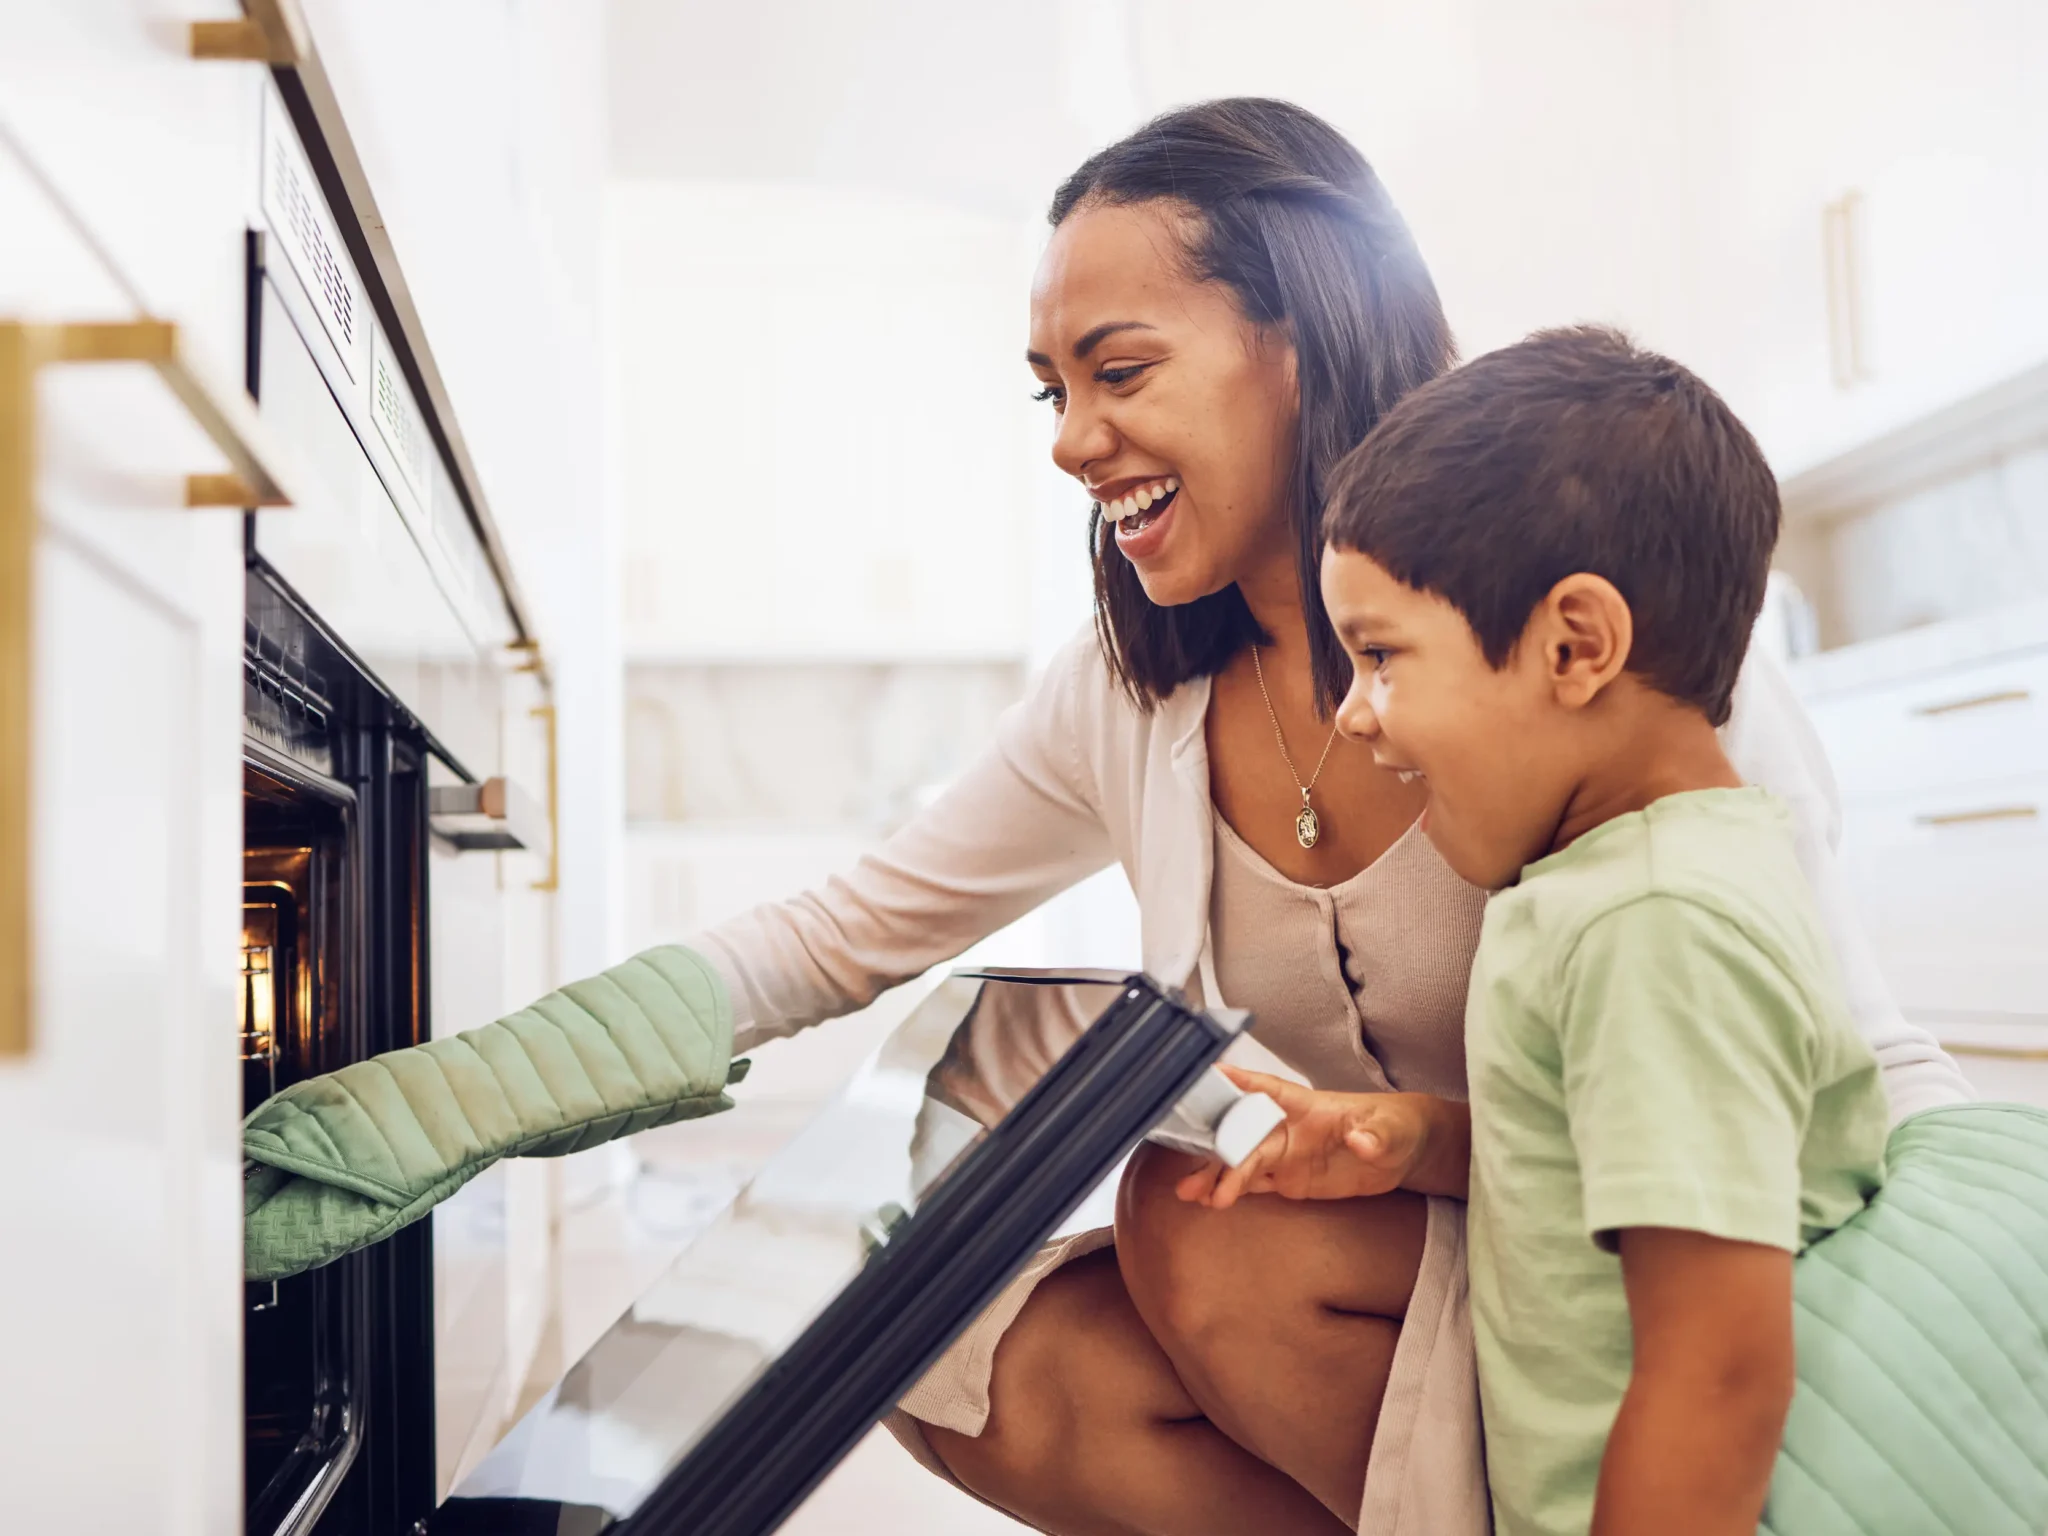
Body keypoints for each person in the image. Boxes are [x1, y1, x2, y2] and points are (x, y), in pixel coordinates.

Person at [688, 99, 1967, 1535]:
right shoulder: (1136, 690)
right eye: (1054, 391)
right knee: (988, 1339)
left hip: (1676, 1285)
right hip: (1505, 1239)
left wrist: (1956, 1339)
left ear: (1298, 345)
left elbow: (1809, 1089)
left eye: (1118, 369)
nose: (1071, 442)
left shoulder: (1621, 696)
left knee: (1210, 1243)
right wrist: (475, 1093)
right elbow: (849, 928)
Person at [1192, 326, 1890, 1536]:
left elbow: (1715, 1371)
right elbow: (1603, 1175)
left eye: (1378, 657)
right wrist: (1414, 1139)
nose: (1351, 716)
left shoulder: (1652, 927)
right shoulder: (1620, 891)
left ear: (1575, 646)